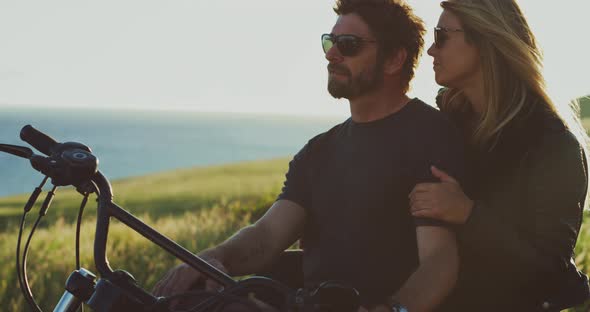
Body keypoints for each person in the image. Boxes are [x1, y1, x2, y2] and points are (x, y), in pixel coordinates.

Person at [153, 1, 465, 311]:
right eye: (329, 42)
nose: (332, 54)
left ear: (394, 59)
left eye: (349, 45)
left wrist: (392, 309)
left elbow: (439, 260)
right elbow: (268, 235)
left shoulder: (430, 135)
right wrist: (213, 258)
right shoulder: (318, 151)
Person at [408, 0, 590, 311]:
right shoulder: (444, 125)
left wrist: (468, 214)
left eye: (442, 36)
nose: (431, 51)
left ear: (485, 40)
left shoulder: (553, 144)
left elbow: (548, 273)